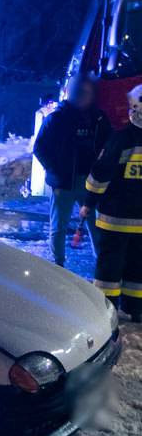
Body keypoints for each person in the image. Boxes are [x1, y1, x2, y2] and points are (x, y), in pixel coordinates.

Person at [33, 76, 112, 266]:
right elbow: (40, 148)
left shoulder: (98, 118)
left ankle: (102, 264)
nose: (82, 96)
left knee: (96, 225)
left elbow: (110, 145)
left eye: (86, 92)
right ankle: (58, 265)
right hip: (64, 183)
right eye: (79, 92)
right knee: (59, 226)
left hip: (91, 182)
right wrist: (55, 170)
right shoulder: (57, 118)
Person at [80, 84, 142, 322]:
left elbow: (100, 174)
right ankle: (135, 309)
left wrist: (89, 202)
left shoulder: (121, 139)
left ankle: (106, 311)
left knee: (109, 266)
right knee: (137, 266)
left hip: (116, 218)